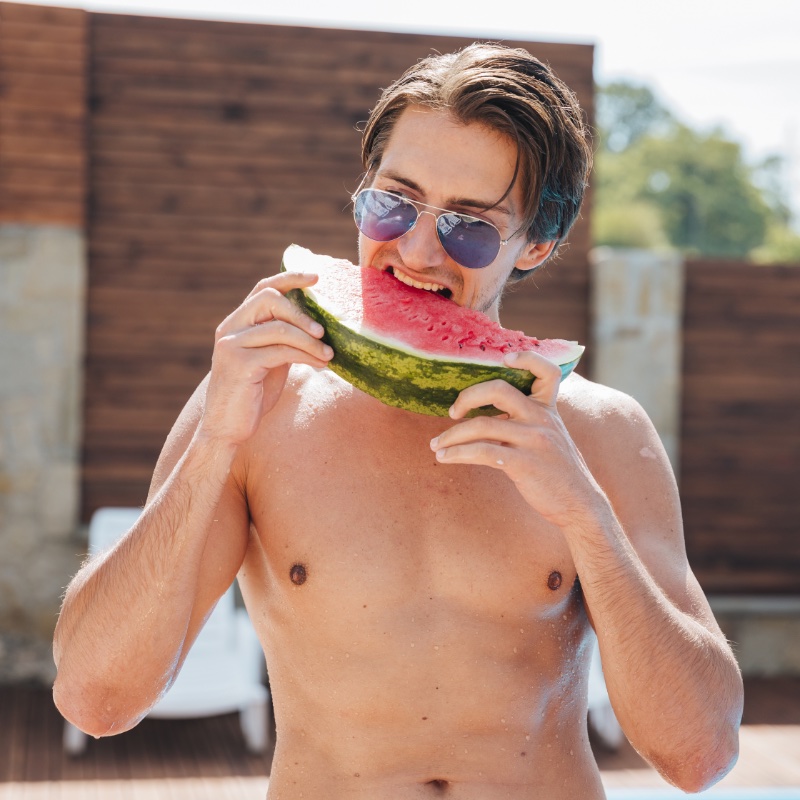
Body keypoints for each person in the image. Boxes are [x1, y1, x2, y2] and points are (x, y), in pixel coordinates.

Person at [53, 43, 743, 798]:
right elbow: (95, 701)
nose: (415, 251)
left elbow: (699, 756)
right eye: (394, 203)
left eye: (470, 227)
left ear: (537, 244)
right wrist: (215, 444)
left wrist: (586, 517)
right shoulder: (257, 408)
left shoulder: (604, 432)